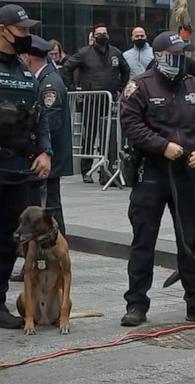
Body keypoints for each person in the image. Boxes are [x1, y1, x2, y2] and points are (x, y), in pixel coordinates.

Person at [119, 31, 195, 326]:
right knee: (143, 240)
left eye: (183, 53)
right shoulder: (139, 86)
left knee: (190, 240)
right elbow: (131, 124)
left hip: (188, 172)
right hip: (152, 171)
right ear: (161, 55)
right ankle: (136, 304)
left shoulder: (194, 86)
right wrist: (161, 145)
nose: (180, 59)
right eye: (174, 54)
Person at [0, 4, 51, 329]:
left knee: (9, 240)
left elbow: (40, 117)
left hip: (17, 170)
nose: (27, 36)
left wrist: (44, 152)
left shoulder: (23, 70)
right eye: (21, 30)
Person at [63, 23, 130, 184]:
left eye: (105, 33)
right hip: (91, 102)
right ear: (93, 37)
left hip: (109, 101)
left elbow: (126, 70)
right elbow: (67, 67)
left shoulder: (115, 52)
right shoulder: (84, 53)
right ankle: (86, 170)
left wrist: (120, 88)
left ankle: (106, 170)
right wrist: (74, 88)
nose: (102, 35)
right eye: (99, 33)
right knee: (90, 136)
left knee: (109, 136)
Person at [21, 35, 73, 234]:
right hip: (48, 154)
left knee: (49, 204)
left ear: (28, 58)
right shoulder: (44, 78)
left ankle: (57, 245)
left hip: (50, 154)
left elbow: (50, 122)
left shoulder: (49, 83)